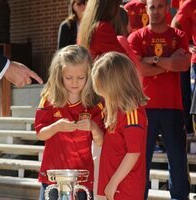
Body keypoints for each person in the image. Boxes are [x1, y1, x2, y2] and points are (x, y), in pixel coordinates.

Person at [128, 0, 191, 199]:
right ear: (146, 9)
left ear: (167, 8)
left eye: (160, 6)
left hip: (173, 107)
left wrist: (153, 59)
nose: (155, 11)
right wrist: (169, 62)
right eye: (152, 7)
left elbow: (184, 65)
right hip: (144, 106)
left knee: (178, 163)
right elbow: (140, 68)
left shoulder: (178, 35)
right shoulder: (136, 37)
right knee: (141, 163)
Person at [34, 45, 104, 200]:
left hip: (82, 178)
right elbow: (40, 134)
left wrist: (93, 126)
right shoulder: (49, 99)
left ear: (89, 75)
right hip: (52, 176)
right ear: (59, 75)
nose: (74, 82)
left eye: (80, 78)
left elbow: (101, 141)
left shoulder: (95, 103)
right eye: (68, 78)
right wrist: (56, 127)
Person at [92, 52, 148, 200]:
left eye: (104, 90)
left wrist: (113, 183)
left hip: (124, 188)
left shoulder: (132, 113)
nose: (103, 96)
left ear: (115, 86)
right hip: (111, 185)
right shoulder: (115, 111)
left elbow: (133, 153)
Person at [171, 0, 196, 134]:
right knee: (189, 99)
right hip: (194, 61)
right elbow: (175, 24)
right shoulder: (190, 4)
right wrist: (187, 45)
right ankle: (189, 131)